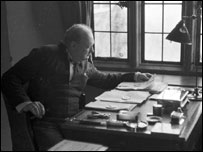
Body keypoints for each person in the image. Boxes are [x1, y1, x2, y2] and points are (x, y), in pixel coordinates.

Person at [1, 24, 152, 151]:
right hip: (46, 124)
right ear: (73, 45)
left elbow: (106, 80)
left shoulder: (84, 64)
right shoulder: (45, 54)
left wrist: (133, 76)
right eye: (88, 47)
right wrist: (26, 103)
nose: (92, 51)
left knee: (109, 145)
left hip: (74, 123)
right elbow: (9, 78)